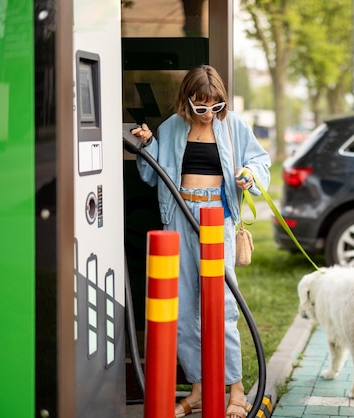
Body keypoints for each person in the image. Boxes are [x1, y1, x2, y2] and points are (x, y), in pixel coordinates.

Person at [133, 64, 271, 418]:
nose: (209, 114)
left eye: (216, 106)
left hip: (217, 221)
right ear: (187, 101)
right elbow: (152, 175)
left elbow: (260, 159)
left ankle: (235, 391)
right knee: (183, 309)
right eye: (201, 107)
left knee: (222, 305)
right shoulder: (172, 127)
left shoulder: (232, 125)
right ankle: (197, 389)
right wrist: (148, 144)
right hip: (180, 217)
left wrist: (249, 175)